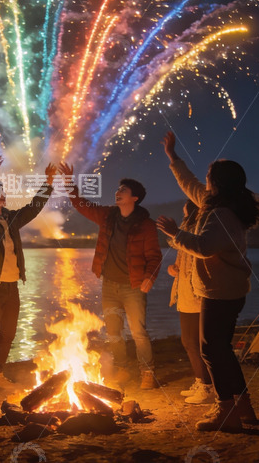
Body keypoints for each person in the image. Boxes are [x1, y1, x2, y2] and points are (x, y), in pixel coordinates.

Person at [156, 131, 259, 433]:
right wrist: (172, 157)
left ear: (219, 183)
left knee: (211, 350)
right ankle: (244, 407)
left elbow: (204, 247)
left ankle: (225, 410)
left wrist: (176, 233)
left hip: (221, 292)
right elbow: (188, 182)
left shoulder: (222, 215)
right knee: (222, 349)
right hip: (224, 290)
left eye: (208, 176)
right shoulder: (212, 205)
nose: (203, 181)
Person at [58, 163, 162, 389]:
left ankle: (147, 372)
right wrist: (69, 182)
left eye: (123, 190)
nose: (117, 192)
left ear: (134, 198)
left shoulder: (146, 225)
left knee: (138, 332)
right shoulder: (108, 216)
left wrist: (150, 277)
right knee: (114, 332)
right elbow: (82, 205)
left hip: (133, 287)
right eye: (117, 189)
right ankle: (123, 369)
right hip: (110, 285)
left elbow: (154, 256)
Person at [0, 153, 56, 398]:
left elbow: (33, 208)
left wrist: (47, 184)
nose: (2, 193)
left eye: (2, 190)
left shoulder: (10, 218)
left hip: (11, 285)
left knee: (8, 333)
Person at [168, 200, 214, 405]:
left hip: (197, 295)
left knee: (197, 343)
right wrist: (174, 269)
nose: (183, 212)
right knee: (188, 342)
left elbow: (201, 258)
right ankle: (200, 381)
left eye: (185, 209)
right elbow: (182, 260)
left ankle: (208, 387)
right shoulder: (187, 231)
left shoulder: (201, 230)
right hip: (184, 293)